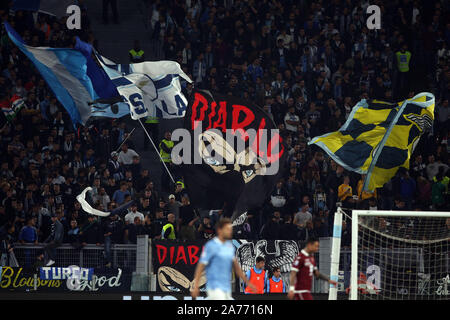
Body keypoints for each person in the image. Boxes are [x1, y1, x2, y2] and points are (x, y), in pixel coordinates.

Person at [191, 218, 255, 300]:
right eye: (227, 229)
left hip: (226, 288)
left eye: (230, 229)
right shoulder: (211, 246)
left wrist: (248, 282)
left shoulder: (229, 246)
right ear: (220, 230)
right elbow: (201, 266)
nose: (230, 231)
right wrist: (196, 285)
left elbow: (237, 268)